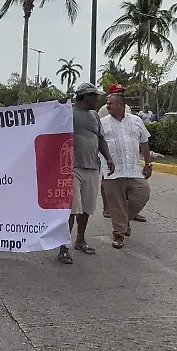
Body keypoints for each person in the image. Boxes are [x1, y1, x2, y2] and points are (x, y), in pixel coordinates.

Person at [56, 84, 115, 265]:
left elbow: (100, 138)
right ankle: (63, 247)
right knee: (72, 210)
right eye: (94, 96)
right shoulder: (68, 111)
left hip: (92, 168)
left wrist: (109, 158)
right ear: (84, 96)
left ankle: (80, 240)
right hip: (72, 168)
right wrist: (57, 106)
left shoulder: (94, 115)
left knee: (87, 208)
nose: (97, 100)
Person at [101, 93, 154, 249]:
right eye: (107, 103)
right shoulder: (102, 123)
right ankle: (119, 234)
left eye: (110, 103)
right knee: (116, 204)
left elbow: (144, 142)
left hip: (133, 170)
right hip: (112, 171)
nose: (107, 106)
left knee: (142, 194)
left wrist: (148, 164)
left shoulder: (136, 121)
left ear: (121, 105)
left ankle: (123, 222)